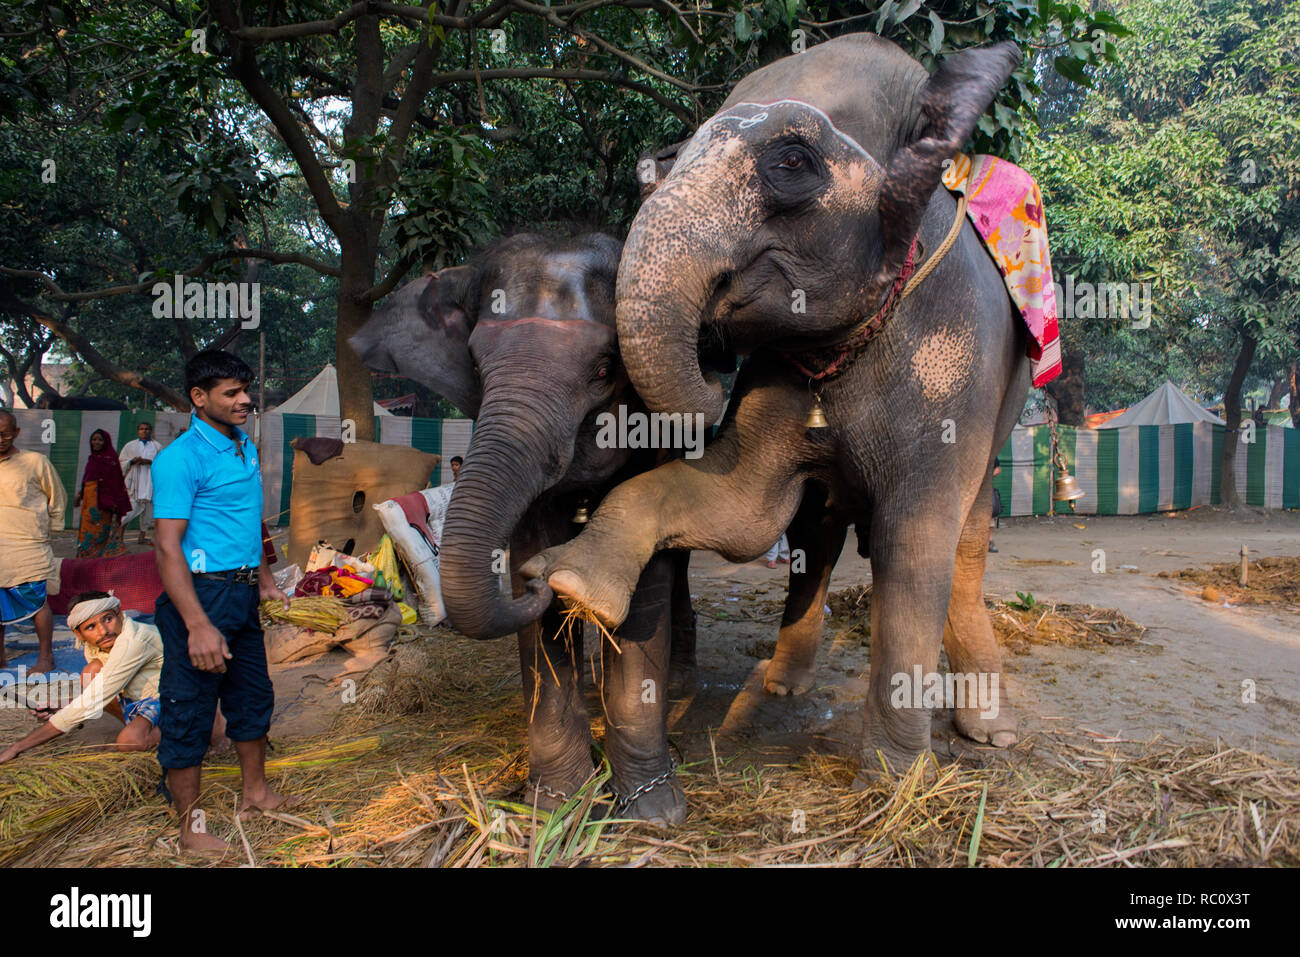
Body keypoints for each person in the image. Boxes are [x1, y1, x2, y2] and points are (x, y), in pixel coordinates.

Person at [152, 349, 292, 855]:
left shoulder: (244, 446)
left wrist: (267, 577)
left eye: (245, 391)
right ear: (198, 397)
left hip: (242, 592)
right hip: (201, 595)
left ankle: (253, 794)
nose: (245, 400)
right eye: (231, 393)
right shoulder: (179, 459)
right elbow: (167, 547)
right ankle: (190, 831)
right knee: (189, 710)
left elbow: (251, 517)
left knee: (252, 697)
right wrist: (197, 625)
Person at [0, 591, 170, 762]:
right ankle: (136, 727)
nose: (103, 631)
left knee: (130, 742)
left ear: (119, 613)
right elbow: (100, 691)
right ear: (78, 634)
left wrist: (17, 747)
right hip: (142, 700)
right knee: (92, 671)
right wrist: (63, 707)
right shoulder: (96, 645)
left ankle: (190, 728)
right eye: (91, 627)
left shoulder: (133, 642)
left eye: (108, 619)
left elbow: (94, 699)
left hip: (174, 699)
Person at [0, 409, 65, 673]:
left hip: (29, 545)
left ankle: (45, 657)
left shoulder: (35, 461)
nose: (0, 438)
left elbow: (57, 496)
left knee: (37, 601)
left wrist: (54, 529)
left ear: (16, 433)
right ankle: (1, 657)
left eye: (5, 433)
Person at [74, 428, 132, 558]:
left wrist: (115, 503)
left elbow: (116, 482)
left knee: (100, 530)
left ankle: (98, 558)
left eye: (100, 440)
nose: (96, 442)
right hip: (89, 503)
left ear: (106, 442)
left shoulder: (110, 459)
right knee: (86, 530)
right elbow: (87, 479)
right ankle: (85, 557)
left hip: (104, 503)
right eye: (94, 439)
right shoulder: (92, 459)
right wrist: (80, 494)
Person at [119, 420, 160, 545]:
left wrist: (150, 462)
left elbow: (163, 463)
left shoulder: (157, 446)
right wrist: (132, 461)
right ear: (138, 431)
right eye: (142, 429)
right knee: (129, 510)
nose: (144, 431)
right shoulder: (130, 446)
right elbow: (121, 461)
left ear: (150, 431)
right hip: (134, 482)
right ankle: (119, 536)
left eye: (147, 429)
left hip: (149, 482)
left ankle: (142, 536)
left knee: (148, 511)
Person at [989, 458, 1003, 553]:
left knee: (989, 518)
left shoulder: (990, 453)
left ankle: (989, 542)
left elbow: (998, 469)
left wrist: (987, 477)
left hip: (985, 490)